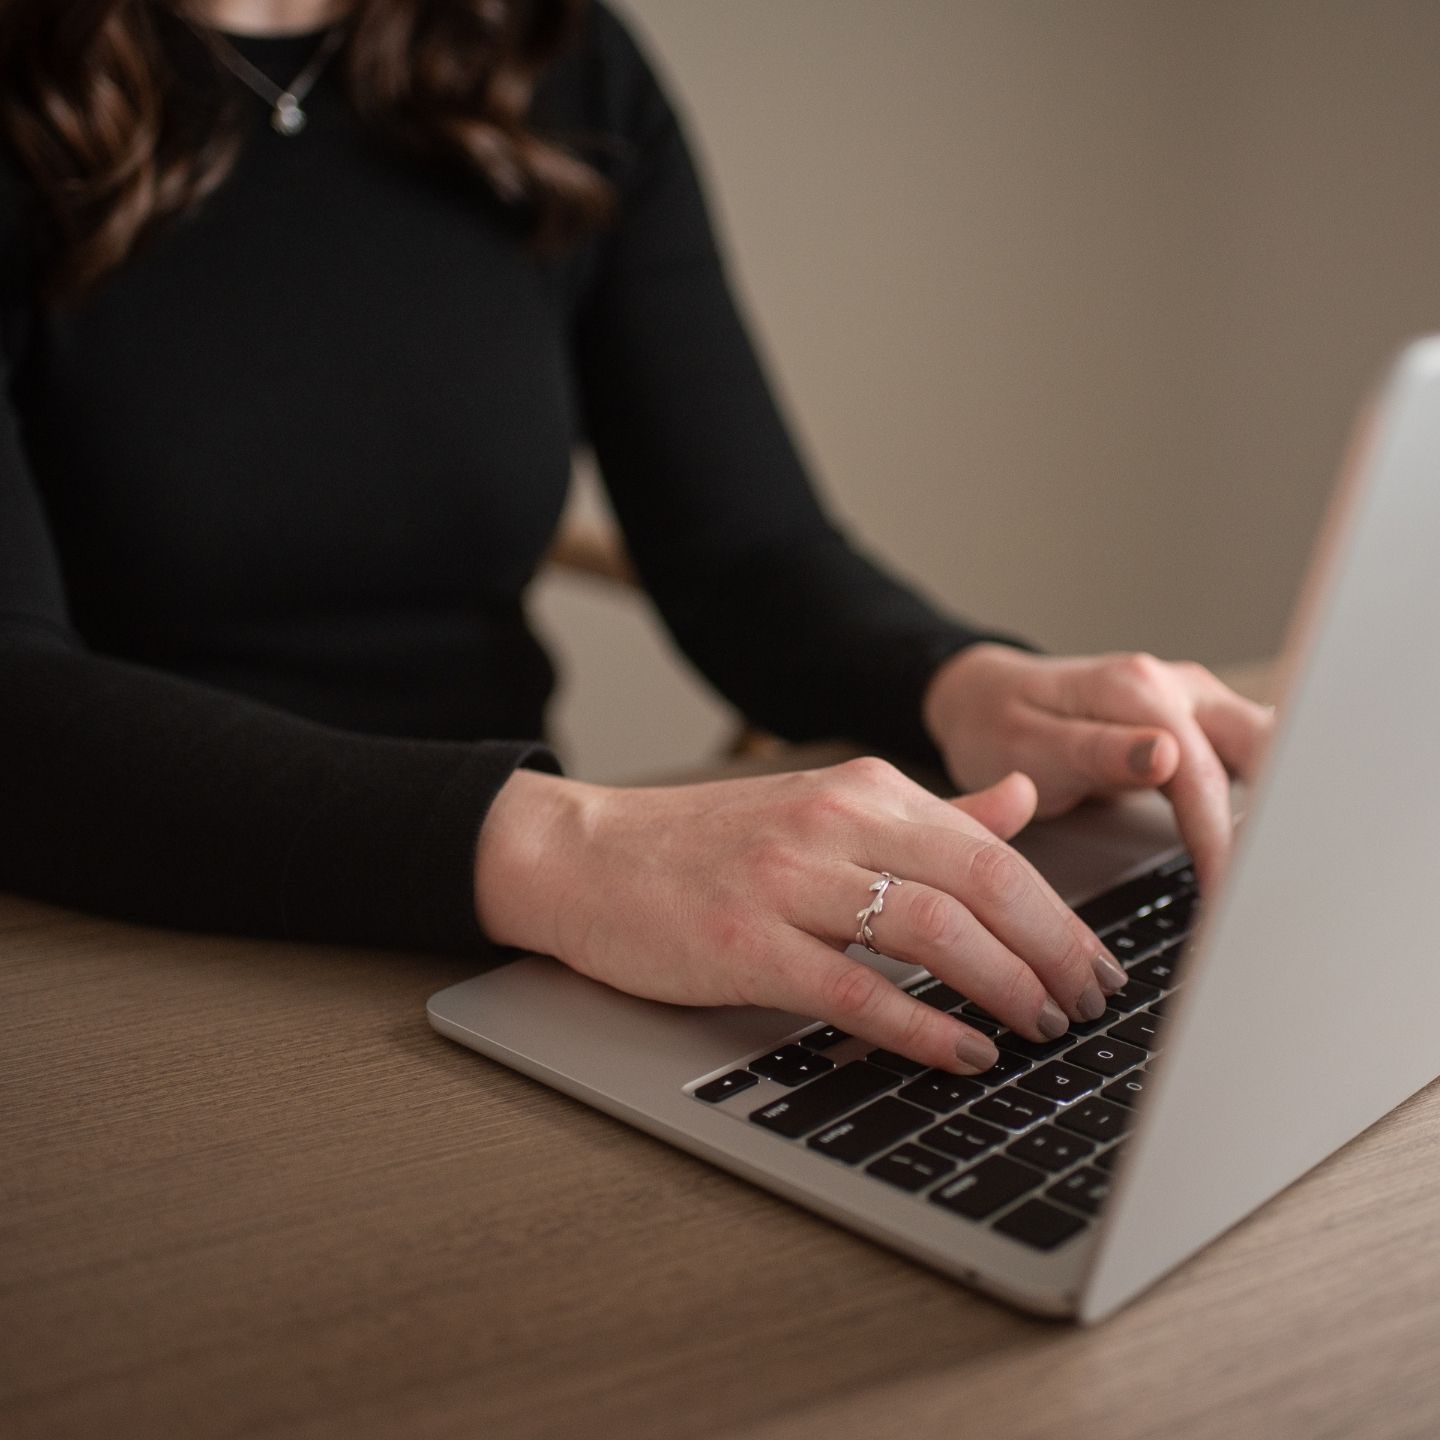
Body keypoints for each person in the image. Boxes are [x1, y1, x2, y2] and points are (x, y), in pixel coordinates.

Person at [0, 0, 1270, 1079]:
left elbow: (744, 555)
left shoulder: (551, 55)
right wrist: (564, 847)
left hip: (508, 947)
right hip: (122, 948)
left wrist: (965, 681)